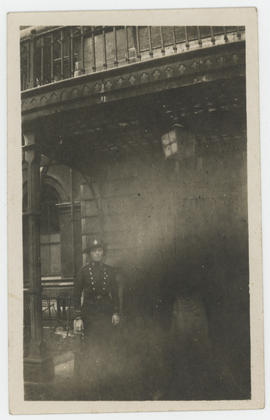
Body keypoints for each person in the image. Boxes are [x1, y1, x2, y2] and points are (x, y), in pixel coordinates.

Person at [73, 238, 122, 396]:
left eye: (100, 250)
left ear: (103, 252)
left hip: (106, 313)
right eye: (94, 251)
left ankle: (105, 380)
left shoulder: (110, 271)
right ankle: (91, 381)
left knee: (106, 345)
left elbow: (115, 294)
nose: (98, 253)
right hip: (89, 314)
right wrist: (78, 317)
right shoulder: (83, 272)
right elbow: (76, 295)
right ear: (89, 254)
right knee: (90, 346)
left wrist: (116, 312)